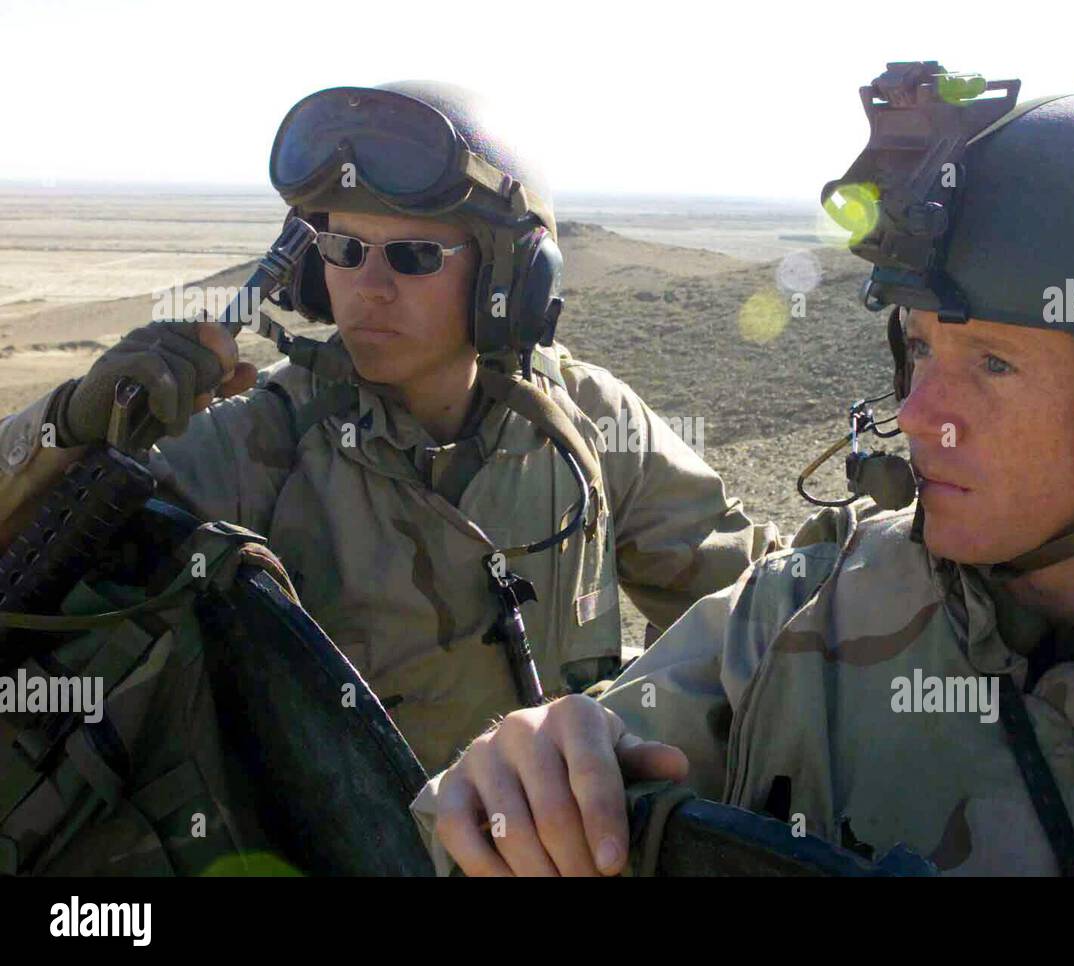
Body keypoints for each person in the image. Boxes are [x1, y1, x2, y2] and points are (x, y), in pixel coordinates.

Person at [416, 65, 1074, 876]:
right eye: (919, 348)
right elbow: (568, 774)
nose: (916, 415)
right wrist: (527, 771)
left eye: (993, 363)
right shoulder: (800, 607)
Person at [0, 81, 781, 773]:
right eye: (342, 249)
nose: (366, 290)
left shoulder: (588, 425)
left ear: (508, 278)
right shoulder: (258, 443)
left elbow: (764, 612)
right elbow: (28, 573)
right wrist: (70, 428)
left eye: (411, 256)